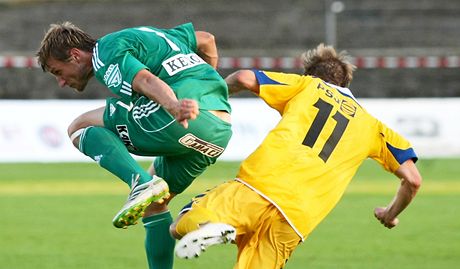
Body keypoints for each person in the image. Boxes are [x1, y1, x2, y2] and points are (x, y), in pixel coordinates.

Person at [170, 44, 422, 268]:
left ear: (312, 75)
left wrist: (208, 100)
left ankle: (215, 228)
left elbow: (245, 78)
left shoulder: (308, 85)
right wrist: (390, 214)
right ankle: (219, 230)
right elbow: (413, 179)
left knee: (182, 224)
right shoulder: (373, 127)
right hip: (297, 219)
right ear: (345, 83)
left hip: (258, 186)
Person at [36, 21, 232, 269]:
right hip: (219, 130)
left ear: (75, 55)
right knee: (154, 206)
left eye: (57, 71)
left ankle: (140, 183)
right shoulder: (154, 34)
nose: (61, 82)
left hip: (178, 118)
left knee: (79, 127)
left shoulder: (104, 52)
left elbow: (144, 80)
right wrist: (203, 85)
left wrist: (173, 105)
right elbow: (207, 39)